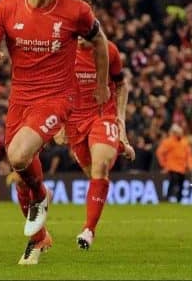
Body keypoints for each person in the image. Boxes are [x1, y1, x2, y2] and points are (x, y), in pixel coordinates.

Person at [0, 0, 109, 265]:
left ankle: (41, 199)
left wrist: (101, 85)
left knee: (19, 154)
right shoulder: (7, 6)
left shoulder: (76, 10)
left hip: (59, 96)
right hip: (20, 98)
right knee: (20, 171)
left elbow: (100, 41)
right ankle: (38, 238)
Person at [54, 38, 135, 250]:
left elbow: (121, 85)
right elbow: (56, 87)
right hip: (75, 123)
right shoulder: (64, 51)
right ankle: (118, 147)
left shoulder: (108, 51)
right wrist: (59, 122)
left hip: (102, 116)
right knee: (93, 175)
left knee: (100, 168)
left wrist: (121, 123)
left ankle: (88, 230)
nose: (79, 35)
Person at [155, 124, 192, 202]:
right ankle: (168, 198)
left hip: (182, 168)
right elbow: (159, 152)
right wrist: (164, 164)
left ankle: (178, 199)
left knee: (180, 184)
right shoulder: (169, 142)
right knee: (173, 182)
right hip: (172, 167)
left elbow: (189, 155)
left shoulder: (184, 142)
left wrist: (190, 165)